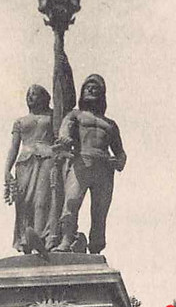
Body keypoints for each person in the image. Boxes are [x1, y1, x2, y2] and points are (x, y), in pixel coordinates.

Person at [54, 74, 126, 255]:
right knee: (71, 202)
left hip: (104, 168)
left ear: (102, 94)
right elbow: (65, 129)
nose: (91, 90)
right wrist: (64, 138)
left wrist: (118, 161)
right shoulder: (75, 115)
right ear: (82, 92)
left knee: (100, 212)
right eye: (88, 87)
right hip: (81, 162)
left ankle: (95, 247)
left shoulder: (110, 124)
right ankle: (66, 239)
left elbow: (121, 153)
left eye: (95, 88)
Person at [4, 85, 60, 254]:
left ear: (44, 97)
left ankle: (42, 237)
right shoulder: (20, 121)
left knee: (42, 201)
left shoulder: (53, 117)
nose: (31, 97)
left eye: (35, 94)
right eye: (29, 94)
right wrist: (7, 169)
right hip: (24, 163)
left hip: (47, 159)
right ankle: (25, 239)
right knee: (24, 202)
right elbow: (13, 147)